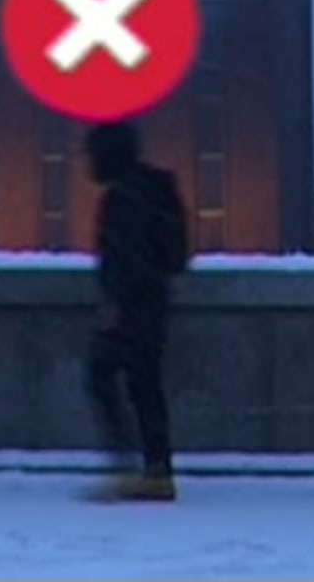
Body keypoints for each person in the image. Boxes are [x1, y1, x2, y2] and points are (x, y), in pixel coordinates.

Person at [80, 121, 190, 503]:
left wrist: (114, 303)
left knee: (101, 376)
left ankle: (131, 467)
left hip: (132, 307)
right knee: (145, 387)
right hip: (155, 302)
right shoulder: (156, 188)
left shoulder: (122, 197)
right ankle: (156, 471)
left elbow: (126, 257)